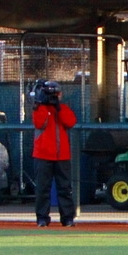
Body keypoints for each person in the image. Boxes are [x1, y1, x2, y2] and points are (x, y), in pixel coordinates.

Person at [31, 79, 77, 227]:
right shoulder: (39, 108)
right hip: (43, 155)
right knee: (42, 189)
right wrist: (42, 104)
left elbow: (70, 122)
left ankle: (68, 218)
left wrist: (58, 107)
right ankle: (42, 218)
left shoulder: (63, 108)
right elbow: (40, 123)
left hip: (62, 155)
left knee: (65, 188)